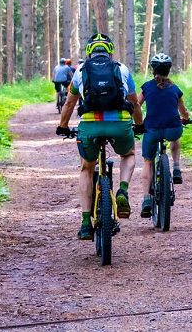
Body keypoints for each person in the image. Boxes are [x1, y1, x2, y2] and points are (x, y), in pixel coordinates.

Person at [57, 33, 145, 240]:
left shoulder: (80, 70)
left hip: (91, 126)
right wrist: (139, 125)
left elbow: (69, 103)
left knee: (86, 168)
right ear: (110, 51)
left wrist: (62, 127)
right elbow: (135, 103)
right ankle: (122, 190)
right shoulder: (122, 69)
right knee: (129, 154)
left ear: (89, 52)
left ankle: (86, 223)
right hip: (120, 125)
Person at [138, 53, 192, 218]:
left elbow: (137, 105)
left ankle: (146, 199)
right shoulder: (175, 88)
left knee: (148, 162)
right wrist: (186, 119)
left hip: (151, 130)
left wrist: (137, 122)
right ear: (169, 70)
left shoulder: (146, 87)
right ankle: (176, 167)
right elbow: (183, 111)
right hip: (172, 129)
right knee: (175, 135)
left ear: (152, 69)